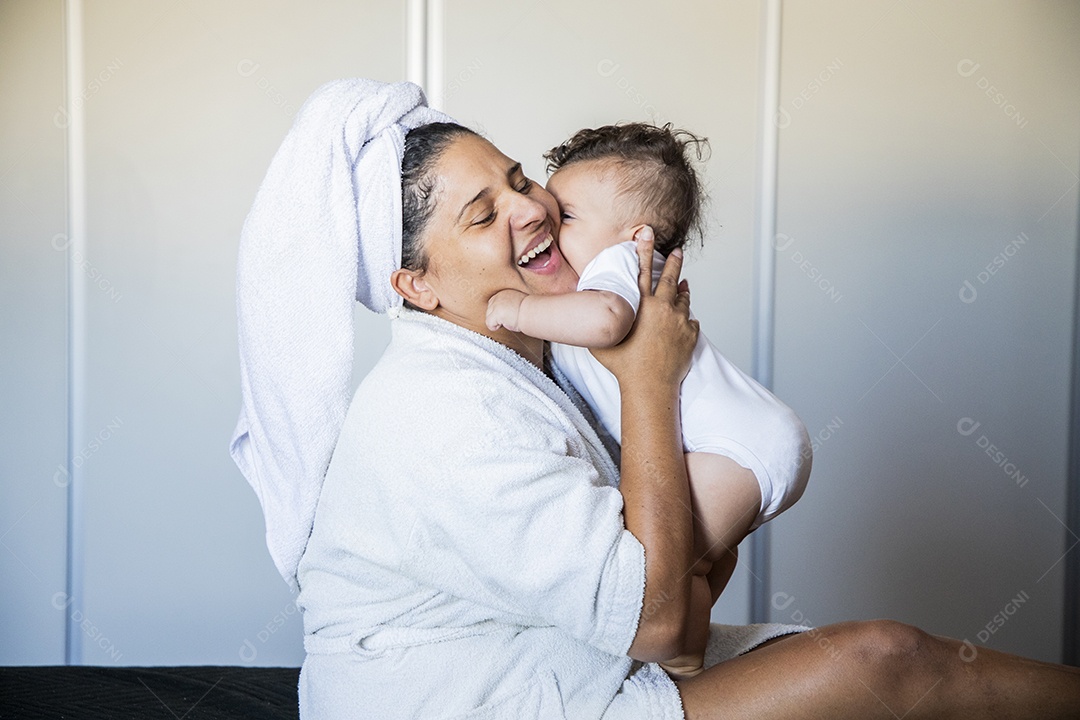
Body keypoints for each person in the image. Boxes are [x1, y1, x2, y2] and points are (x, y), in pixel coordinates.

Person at [235, 80, 1080, 719]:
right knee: (889, 661)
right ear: (416, 285)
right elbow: (665, 631)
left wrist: (686, 578)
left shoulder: (535, 357)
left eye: (522, 178)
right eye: (483, 214)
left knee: (887, 659)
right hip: (471, 699)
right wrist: (651, 382)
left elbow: (676, 585)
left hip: (565, 657)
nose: (533, 209)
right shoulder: (441, 413)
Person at [485, 122, 812, 680]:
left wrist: (511, 309)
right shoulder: (610, 269)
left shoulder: (616, 267)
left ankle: (682, 658)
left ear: (634, 234)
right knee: (695, 556)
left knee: (668, 568)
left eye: (566, 216)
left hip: (735, 448)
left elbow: (607, 321)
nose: (547, 221)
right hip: (743, 444)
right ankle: (688, 637)